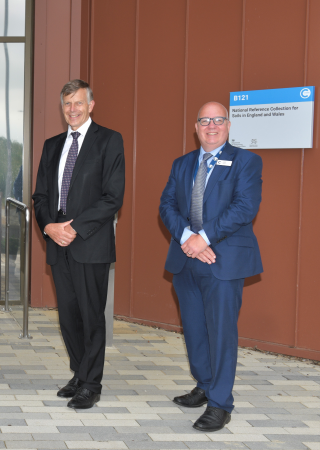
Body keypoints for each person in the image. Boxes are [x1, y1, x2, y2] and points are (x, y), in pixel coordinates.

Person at [159, 102, 263, 432]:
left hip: (224, 260)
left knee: (220, 332)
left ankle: (220, 403)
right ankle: (204, 385)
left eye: (218, 120)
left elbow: (244, 208)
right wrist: (188, 237)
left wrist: (203, 238)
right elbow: (167, 206)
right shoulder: (183, 163)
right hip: (186, 259)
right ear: (196, 127)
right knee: (194, 329)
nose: (211, 125)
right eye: (205, 120)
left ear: (228, 125)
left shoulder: (246, 161)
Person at [32, 79, 125, 410]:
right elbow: (40, 196)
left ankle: (91, 383)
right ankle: (79, 372)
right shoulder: (52, 144)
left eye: (79, 103)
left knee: (91, 315)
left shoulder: (109, 141)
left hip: (90, 243)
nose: (73, 109)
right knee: (68, 317)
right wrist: (49, 227)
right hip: (58, 243)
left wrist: (75, 227)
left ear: (91, 105)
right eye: (67, 104)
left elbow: (112, 196)